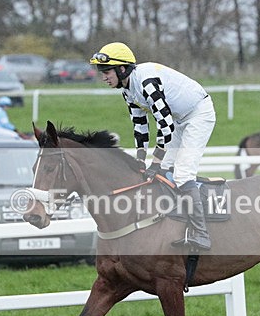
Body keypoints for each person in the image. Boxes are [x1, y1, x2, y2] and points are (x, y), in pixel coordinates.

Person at [89, 41, 217, 250]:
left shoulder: (147, 82)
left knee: (183, 174)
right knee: (164, 172)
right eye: (101, 72)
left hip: (198, 114)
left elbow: (165, 126)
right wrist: (140, 161)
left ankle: (202, 233)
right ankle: (174, 220)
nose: (103, 77)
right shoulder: (127, 91)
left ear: (122, 68)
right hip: (177, 118)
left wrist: (154, 163)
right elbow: (140, 128)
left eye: (107, 71)